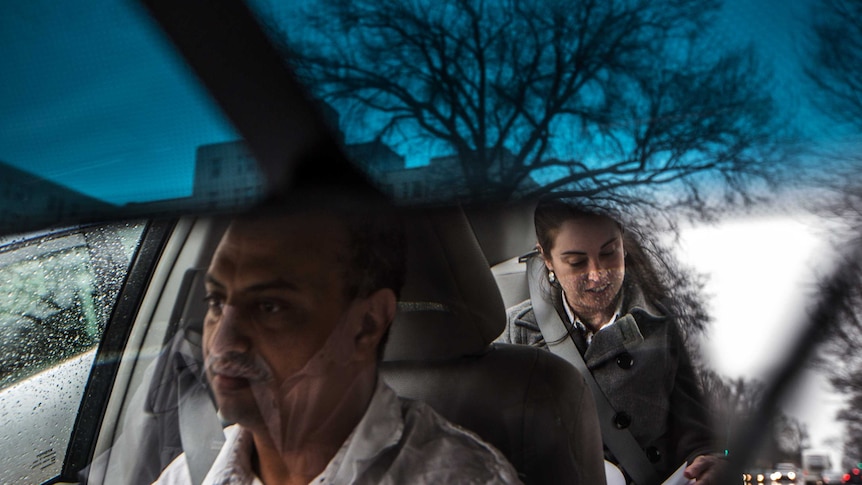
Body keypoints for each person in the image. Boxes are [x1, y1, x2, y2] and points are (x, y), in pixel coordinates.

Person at [153, 196, 522, 484]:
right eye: (216, 303)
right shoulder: (186, 476)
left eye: (269, 307)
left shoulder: (461, 479)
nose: (220, 344)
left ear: (365, 325)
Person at [497, 197, 723, 485]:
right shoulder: (515, 333)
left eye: (609, 253)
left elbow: (696, 434)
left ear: (623, 244)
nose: (597, 274)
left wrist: (708, 462)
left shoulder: (663, 325)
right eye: (577, 261)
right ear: (548, 259)